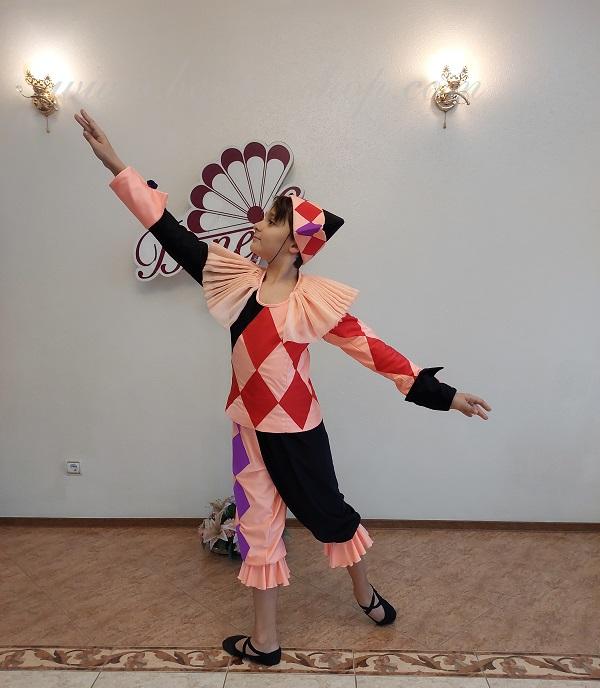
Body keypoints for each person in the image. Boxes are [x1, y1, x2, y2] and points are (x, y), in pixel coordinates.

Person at [74, 108, 492, 666]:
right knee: (257, 526)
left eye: (270, 222)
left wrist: (447, 396)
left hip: (298, 431)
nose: (257, 225)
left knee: (330, 515)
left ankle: (365, 594)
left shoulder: (313, 302)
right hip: (247, 427)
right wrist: (118, 165)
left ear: (294, 244)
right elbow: (170, 232)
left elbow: (377, 352)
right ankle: (265, 640)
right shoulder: (236, 281)